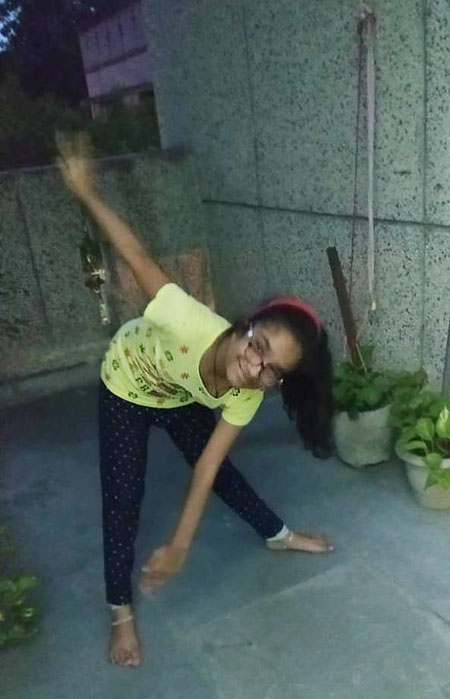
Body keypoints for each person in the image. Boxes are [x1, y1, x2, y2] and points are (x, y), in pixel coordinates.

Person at [57, 135, 334, 668]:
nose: (255, 368)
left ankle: (277, 535)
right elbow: (135, 254)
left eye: (273, 371)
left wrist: (180, 547)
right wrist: (86, 192)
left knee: (223, 470)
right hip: (127, 383)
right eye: (258, 347)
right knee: (122, 497)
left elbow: (205, 469)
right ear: (246, 326)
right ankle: (120, 611)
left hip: (177, 395)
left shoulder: (247, 393)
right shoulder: (186, 319)